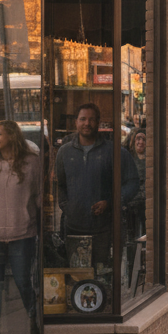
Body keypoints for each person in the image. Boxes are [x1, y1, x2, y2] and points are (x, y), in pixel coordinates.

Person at [56, 103, 139, 273]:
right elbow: (60, 185)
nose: (87, 123)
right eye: (83, 119)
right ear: (76, 123)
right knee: (77, 278)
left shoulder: (115, 152)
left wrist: (111, 202)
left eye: (91, 119)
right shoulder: (64, 152)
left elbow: (132, 183)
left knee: (103, 278)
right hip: (74, 229)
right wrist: (68, 207)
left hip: (105, 230)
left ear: (98, 122)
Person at [0, 121, 43, 334]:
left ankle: (33, 322)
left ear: (12, 135)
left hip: (22, 233)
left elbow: (39, 198)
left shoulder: (32, 163)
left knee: (22, 281)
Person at [126, 129, 147, 240]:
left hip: (146, 203)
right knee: (132, 235)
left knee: (145, 234)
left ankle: (143, 256)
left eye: (144, 139)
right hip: (132, 203)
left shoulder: (150, 159)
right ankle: (132, 256)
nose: (141, 142)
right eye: (138, 138)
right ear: (133, 141)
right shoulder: (129, 158)